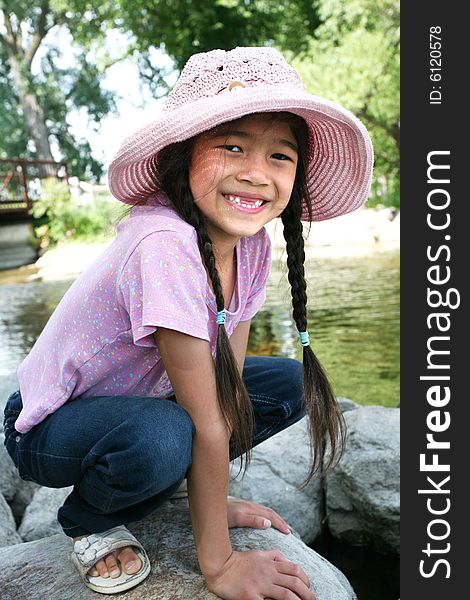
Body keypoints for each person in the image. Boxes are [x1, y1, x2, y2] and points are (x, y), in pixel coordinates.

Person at [3, 46, 373, 598]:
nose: (255, 173)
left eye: (280, 155)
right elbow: (204, 420)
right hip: (53, 423)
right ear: (183, 154)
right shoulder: (162, 244)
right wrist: (219, 565)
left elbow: (227, 391)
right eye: (232, 146)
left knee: (283, 385)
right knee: (168, 434)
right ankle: (87, 520)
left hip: (146, 404)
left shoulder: (247, 245)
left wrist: (210, 492)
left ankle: (175, 484)